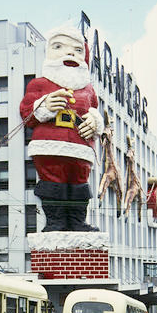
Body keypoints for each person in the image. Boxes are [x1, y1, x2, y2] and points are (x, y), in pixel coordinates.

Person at [20, 23, 104, 232]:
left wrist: (95, 122)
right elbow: (27, 113)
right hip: (50, 147)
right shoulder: (38, 84)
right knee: (53, 182)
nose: (70, 53)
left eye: (77, 50)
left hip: (80, 149)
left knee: (79, 184)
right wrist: (45, 105)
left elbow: (94, 111)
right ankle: (55, 222)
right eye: (59, 47)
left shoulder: (89, 90)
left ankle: (77, 222)